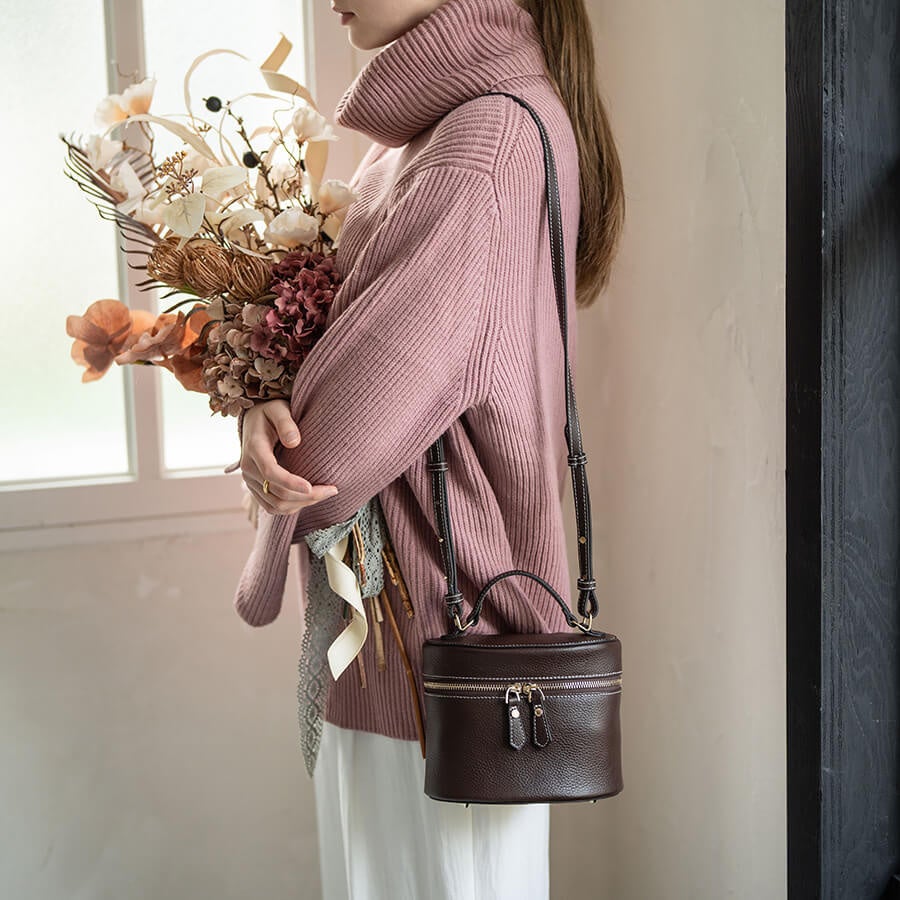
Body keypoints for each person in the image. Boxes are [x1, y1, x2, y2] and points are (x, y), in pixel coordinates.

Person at [232, 0, 624, 895]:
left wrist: (276, 421)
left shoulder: (482, 142)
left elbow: (322, 458)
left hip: (442, 668)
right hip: (409, 652)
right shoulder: (433, 134)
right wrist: (262, 403)